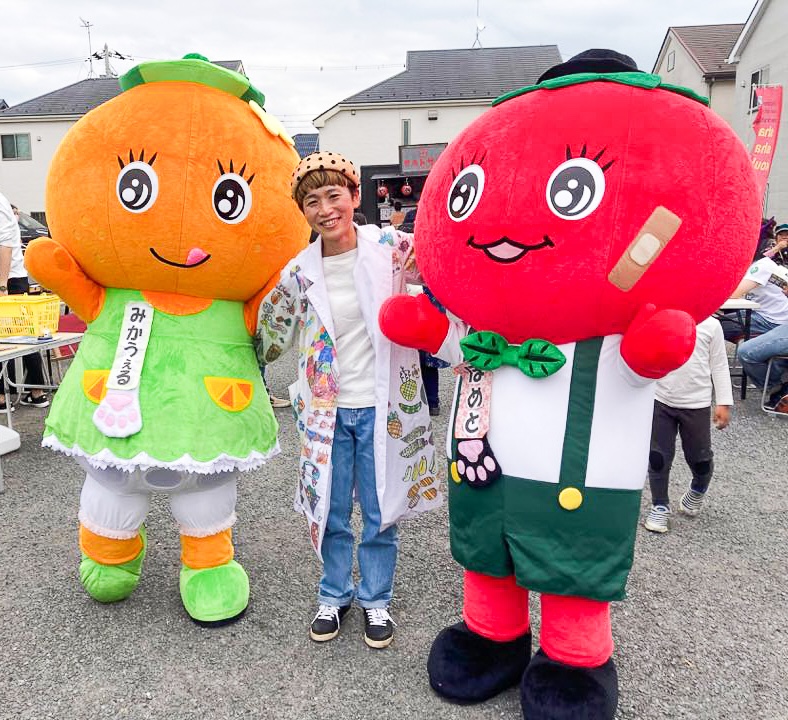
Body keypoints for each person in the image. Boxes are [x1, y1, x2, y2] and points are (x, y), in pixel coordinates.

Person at [256, 151, 441, 649]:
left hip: (385, 406)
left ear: (355, 197)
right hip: (326, 411)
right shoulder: (298, 270)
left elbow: (445, 265)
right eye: (312, 201)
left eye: (334, 195)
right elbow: (270, 337)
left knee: (381, 510)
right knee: (332, 509)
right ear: (304, 212)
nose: (324, 209)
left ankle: (376, 600)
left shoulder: (392, 247)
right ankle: (334, 594)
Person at [643, 316, 733, 533]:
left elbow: (719, 364)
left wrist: (723, 402)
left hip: (697, 404)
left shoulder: (711, 325)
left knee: (700, 458)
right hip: (661, 399)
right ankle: (660, 505)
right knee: (658, 456)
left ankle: (698, 488)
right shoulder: (662, 318)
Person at [0, 194, 48, 409]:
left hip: (9, 279)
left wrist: (2, 285)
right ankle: (34, 392)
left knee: (16, 337)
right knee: (19, 336)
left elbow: (5, 246)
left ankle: (6, 397)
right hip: (12, 277)